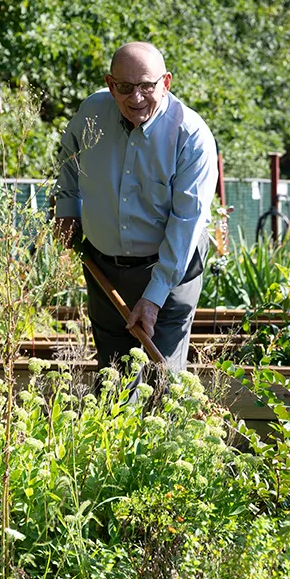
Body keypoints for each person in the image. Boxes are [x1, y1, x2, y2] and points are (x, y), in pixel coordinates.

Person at [54, 42, 218, 374]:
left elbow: (186, 223)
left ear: (166, 83)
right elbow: (69, 160)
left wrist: (154, 297)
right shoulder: (91, 114)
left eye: (147, 86)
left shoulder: (191, 135)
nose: (136, 98)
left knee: (161, 385)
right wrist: (67, 207)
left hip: (171, 274)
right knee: (112, 380)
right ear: (110, 84)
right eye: (125, 87)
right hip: (105, 272)